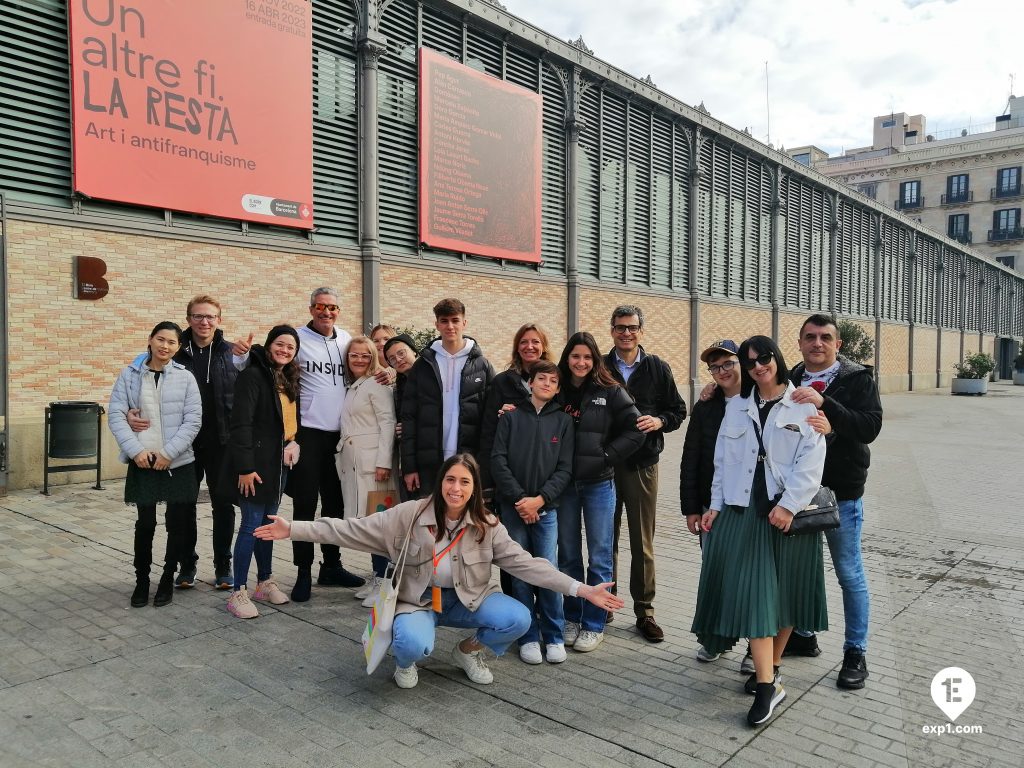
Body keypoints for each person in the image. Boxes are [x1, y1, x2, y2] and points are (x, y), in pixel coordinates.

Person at [254, 453, 624, 689]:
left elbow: (530, 566)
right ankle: (405, 663)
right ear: (441, 482)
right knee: (412, 643)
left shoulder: (487, 525)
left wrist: (581, 589)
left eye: (465, 482)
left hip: (467, 600)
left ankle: (468, 650)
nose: (456, 488)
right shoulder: (409, 514)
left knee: (518, 618)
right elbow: (351, 529)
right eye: (451, 479)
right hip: (417, 602)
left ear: (474, 488)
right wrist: (295, 529)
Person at [691, 335, 828, 727]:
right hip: (744, 511)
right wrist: (714, 507)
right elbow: (722, 462)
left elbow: (812, 459)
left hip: (788, 513)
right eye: (750, 362)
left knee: (788, 592)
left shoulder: (801, 403)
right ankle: (767, 686)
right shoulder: (737, 406)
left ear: (776, 358)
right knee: (755, 594)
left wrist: (788, 505)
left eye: (763, 358)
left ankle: (774, 668)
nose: (758, 366)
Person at [233, 287, 363, 601]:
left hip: (340, 438)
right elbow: (262, 364)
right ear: (311, 308)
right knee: (305, 507)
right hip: (307, 437)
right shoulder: (298, 339)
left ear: (338, 311)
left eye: (332, 307)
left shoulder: (346, 340)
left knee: (336, 506)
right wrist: (239, 357)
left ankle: (331, 565)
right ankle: (302, 571)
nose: (326, 312)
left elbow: (366, 363)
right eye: (320, 306)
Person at [786, 314, 883, 690]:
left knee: (848, 573)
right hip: (799, 495)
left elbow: (870, 427)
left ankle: (855, 651)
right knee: (803, 571)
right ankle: (804, 635)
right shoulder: (791, 377)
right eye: (810, 337)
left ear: (837, 345)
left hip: (842, 494)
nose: (817, 343)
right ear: (800, 342)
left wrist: (828, 408)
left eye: (826, 337)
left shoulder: (857, 379)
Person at [126, 295, 239, 590]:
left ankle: (223, 564)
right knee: (183, 506)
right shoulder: (175, 349)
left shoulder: (230, 353)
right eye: (198, 316)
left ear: (219, 319)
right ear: (188, 319)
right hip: (181, 443)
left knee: (223, 505)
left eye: (210, 317)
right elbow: (140, 370)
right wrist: (129, 411)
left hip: (221, 442)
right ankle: (186, 564)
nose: (204, 322)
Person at [556, 331, 644, 654]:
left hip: (598, 484)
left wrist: (607, 456)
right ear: (567, 358)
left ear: (595, 360)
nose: (581, 362)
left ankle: (594, 624)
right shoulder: (557, 389)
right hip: (564, 485)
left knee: (600, 556)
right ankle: (572, 616)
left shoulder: (610, 391)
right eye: (575, 356)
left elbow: (636, 430)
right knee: (566, 554)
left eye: (587, 357)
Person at [604, 305, 686, 643]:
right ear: (612, 330)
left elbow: (678, 410)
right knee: (603, 540)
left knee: (642, 542)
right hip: (604, 466)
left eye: (632, 327)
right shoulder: (600, 367)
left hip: (642, 465)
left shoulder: (657, 368)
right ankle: (603, 604)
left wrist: (660, 422)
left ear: (641, 330)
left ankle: (645, 611)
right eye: (620, 327)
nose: (626, 333)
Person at [108, 322, 202, 608]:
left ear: (178, 347)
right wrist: (136, 451)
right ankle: (141, 580)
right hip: (143, 459)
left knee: (177, 524)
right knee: (145, 523)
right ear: (150, 340)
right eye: (160, 340)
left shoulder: (186, 378)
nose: (165, 346)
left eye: (172, 343)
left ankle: (166, 579)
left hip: (177, 461)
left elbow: (193, 420)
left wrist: (169, 453)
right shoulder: (130, 374)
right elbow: (116, 415)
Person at [490, 360, 575, 665]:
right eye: (541, 379)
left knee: (547, 571)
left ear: (558, 387)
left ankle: (553, 634)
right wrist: (520, 501)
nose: (547, 384)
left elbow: (565, 469)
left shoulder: (563, 422)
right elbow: (498, 461)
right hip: (514, 509)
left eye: (553, 381)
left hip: (546, 509)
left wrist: (539, 500)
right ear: (530, 383)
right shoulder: (511, 417)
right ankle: (526, 635)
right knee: (520, 572)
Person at [221, 325, 302, 619]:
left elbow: (291, 422)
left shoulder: (288, 378)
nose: (284, 350)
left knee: (269, 525)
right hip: (254, 466)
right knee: (250, 525)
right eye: (280, 344)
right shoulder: (253, 376)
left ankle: (264, 582)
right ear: (269, 346)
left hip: (279, 466)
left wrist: (295, 443)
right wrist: (245, 468)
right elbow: (240, 424)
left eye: (290, 347)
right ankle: (237, 592)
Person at [400, 298, 495, 497]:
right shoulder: (423, 365)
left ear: (464, 323)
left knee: (463, 523)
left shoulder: (482, 366)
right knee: (427, 520)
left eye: (455, 320)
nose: (450, 326)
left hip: (467, 462)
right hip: (428, 463)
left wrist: (483, 469)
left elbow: (489, 422)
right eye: (444, 321)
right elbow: (409, 418)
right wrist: (409, 467)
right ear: (437, 324)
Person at [335, 335, 396, 608]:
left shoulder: (376, 383)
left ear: (373, 358)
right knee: (369, 523)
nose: (359, 359)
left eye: (365, 355)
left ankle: (386, 584)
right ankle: (377, 576)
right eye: (354, 355)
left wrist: (384, 461)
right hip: (356, 464)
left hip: (374, 467)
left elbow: (387, 422)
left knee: (379, 524)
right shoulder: (355, 386)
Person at [478, 322, 553, 488]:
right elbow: (488, 433)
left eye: (536, 341)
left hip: (545, 474)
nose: (529, 346)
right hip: (509, 475)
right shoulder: (501, 382)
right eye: (524, 342)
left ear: (544, 346)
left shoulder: (554, 382)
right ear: (517, 347)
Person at [383, 333, 419, 503]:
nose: (398, 360)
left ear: (414, 351)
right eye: (391, 359)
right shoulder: (400, 384)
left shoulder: (432, 376)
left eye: (401, 353)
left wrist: (411, 427)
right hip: (409, 457)